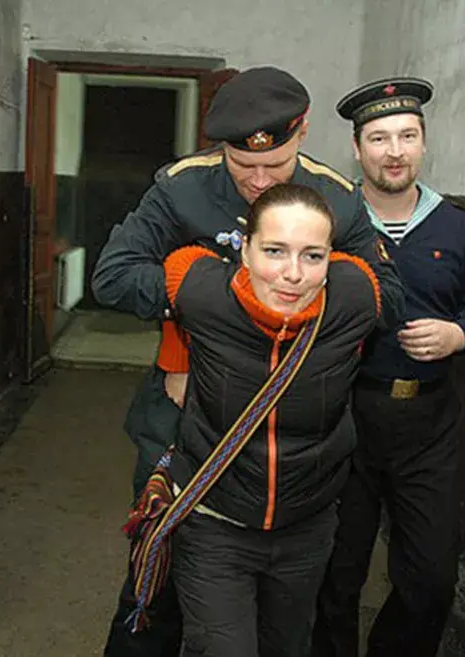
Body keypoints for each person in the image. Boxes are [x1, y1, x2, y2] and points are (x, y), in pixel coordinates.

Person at [92, 66, 406, 657]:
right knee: (155, 577)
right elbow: (114, 276)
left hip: (293, 419)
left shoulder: (337, 198)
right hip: (185, 413)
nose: (259, 181)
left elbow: (387, 296)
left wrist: (289, 291)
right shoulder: (182, 188)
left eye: (275, 164)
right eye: (243, 166)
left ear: (302, 133)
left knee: (281, 606)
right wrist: (207, 306)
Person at [311, 77, 465, 657]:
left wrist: (458, 334)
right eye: (379, 138)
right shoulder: (330, 221)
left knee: (431, 580)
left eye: (407, 136)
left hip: (427, 425)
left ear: (424, 143)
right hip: (344, 417)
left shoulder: (456, 226)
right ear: (357, 149)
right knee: (335, 573)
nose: (394, 151)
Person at [158, 183, 383, 657]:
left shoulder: (354, 298)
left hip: (307, 529)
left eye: (313, 256)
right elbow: (176, 266)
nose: (293, 274)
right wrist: (176, 355)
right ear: (244, 250)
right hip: (215, 523)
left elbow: (368, 274)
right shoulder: (204, 291)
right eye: (274, 251)